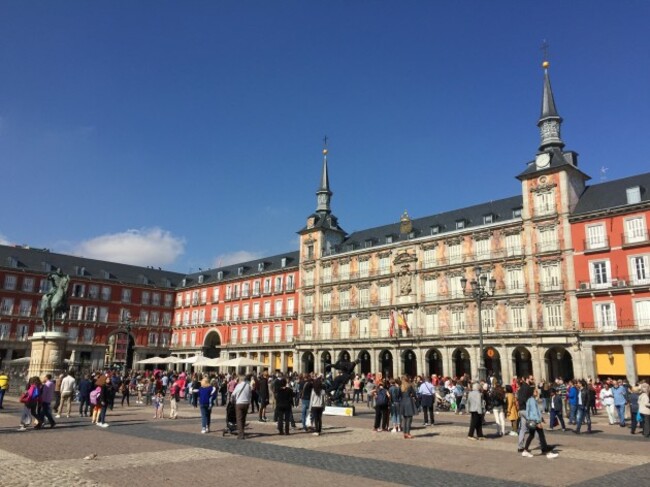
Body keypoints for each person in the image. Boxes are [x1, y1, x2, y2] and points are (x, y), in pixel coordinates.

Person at [522, 388, 558, 459]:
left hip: (532, 420)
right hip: (535, 421)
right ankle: (546, 452)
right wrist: (538, 421)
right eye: (535, 391)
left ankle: (525, 451)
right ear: (532, 392)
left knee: (531, 435)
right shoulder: (532, 400)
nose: (537, 392)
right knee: (541, 436)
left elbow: (530, 411)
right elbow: (535, 412)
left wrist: (541, 418)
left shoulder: (530, 400)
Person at [232, 375, 252, 439]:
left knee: (239, 419)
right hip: (246, 403)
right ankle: (242, 431)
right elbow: (250, 394)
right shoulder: (248, 385)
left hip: (239, 403)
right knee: (243, 418)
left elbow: (233, 394)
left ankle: (241, 434)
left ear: (240, 380)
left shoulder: (238, 386)